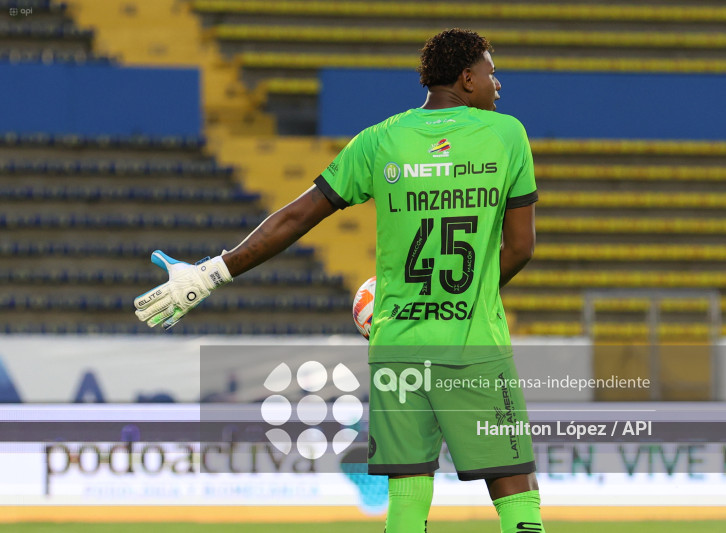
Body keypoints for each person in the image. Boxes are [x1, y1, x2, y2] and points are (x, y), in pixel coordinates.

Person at [134, 28, 544, 533]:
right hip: (473, 343)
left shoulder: (379, 140)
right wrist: (468, 294)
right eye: (490, 71)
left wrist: (214, 271)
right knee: (514, 489)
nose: (497, 83)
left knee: (408, 495)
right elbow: (521, 248)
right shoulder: (507, 136)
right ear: (467, 78)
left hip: (398, 346)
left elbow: (296, 216)